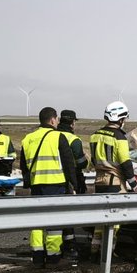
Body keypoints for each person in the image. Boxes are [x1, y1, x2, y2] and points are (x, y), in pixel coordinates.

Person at [18, 107, 82, 266]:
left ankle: (38, 256)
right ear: (53, 120)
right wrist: (74, 184)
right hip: (55, 184)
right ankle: (54, 257)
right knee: (54, 223)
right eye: (57, 119)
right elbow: (68, 164)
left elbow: (23, 166)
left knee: (36, 221)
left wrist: (29, 182)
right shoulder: (57, 136)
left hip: (36, 186)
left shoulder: (28, 138)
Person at [88, 100, 137, 255]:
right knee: (114, 219)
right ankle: (108, 253)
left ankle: (95, 249)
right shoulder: (119, 137)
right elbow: (125, 162)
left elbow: (93, 159)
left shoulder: (95, 135)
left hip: (99, 180)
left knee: (100, 218)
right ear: (120, 118)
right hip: (115, 181)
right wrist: (133, 184)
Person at [57, 109, 89, 256]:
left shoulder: (51, 136)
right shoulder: (73, 140)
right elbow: (81, 163)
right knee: (68, 214)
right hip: (70, 180)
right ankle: (69, 245)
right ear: (72, 122)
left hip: (52, 179)